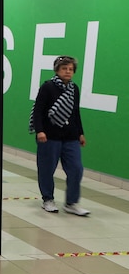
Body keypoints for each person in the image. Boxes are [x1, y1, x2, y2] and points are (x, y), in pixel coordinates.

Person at [30, 55, 89, 216]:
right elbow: (38, 111)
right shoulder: (48, 87)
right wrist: (40, 130)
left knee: (76, 168)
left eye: (71, 69)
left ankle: (71, 203)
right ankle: (48, 199)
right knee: (47, 169)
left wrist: (81, 133)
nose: (68, 72)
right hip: (49, 136)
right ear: (57, 70)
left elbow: (75, 112)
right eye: (64, 68)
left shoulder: (74, 89)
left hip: (70, 137)